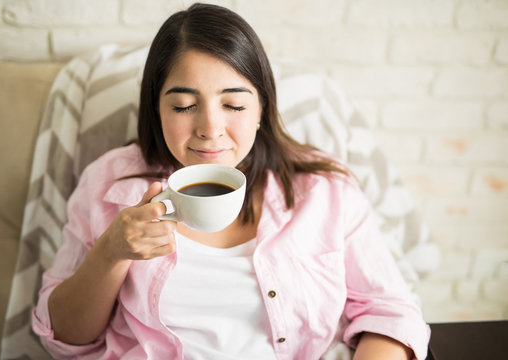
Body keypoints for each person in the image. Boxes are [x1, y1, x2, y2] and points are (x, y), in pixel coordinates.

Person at [32, 3, 430, 359]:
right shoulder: (108, 182)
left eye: (234, 104)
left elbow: (391, 315)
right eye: (184, 105)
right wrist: (111, 252)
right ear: (156, 108)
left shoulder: (324, 192)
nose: (210, 128)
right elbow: (64, 338)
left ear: (261, 108)